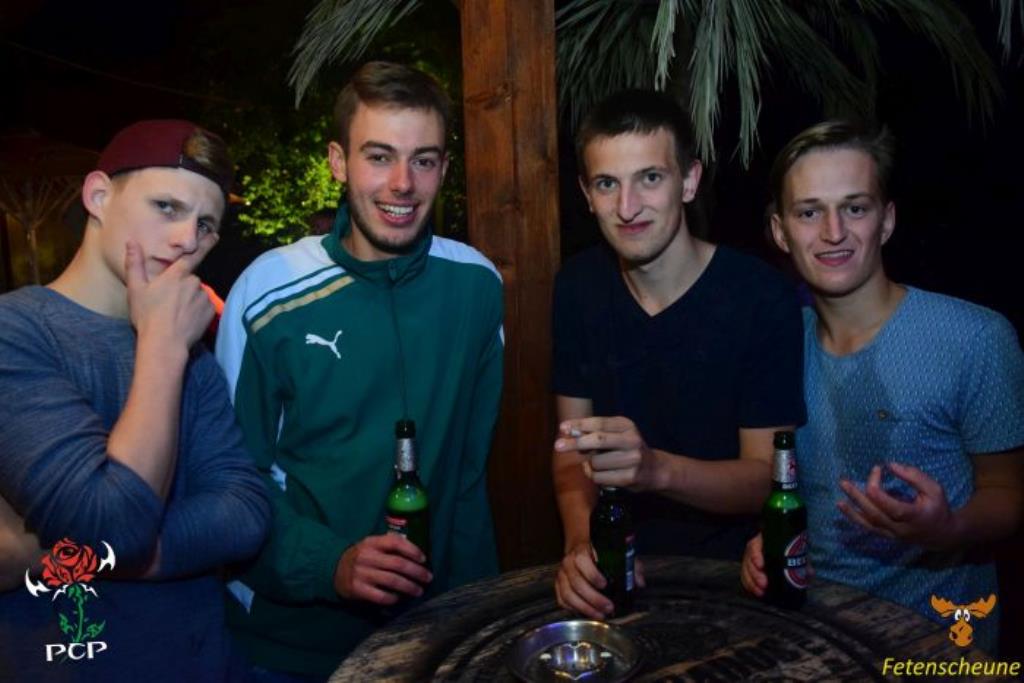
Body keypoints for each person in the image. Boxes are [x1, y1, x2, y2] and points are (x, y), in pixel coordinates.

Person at [215, 61, 504, 679]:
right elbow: (231, 478)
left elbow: (469, 470)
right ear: (338, 162)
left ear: (445, 169)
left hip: (441, 638)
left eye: (424, 160)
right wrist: (330, 563)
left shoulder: (476, 286)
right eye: (379, 157)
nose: (403, 183)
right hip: (294, 648)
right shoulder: (267, 293)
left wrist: (477, 610)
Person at [0, 119, 270, 681]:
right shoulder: (17, 331)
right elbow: (112, 528)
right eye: (166, 207)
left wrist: (47, 555)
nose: (187, 239)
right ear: (99, 196)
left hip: (206, 666)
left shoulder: (187, 343)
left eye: (205, 224)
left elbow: (245, 511)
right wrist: (163, 348)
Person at [740, 121, 1024, 653]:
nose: (833, 232)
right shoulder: (775, 346)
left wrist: (949, 528)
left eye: (854, 208)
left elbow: (1009, 496)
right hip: (811, 639)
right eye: (809, 212)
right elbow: (787, 487)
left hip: (939, 648)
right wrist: (767, 543)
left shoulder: (975, 338)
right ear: (780, 231)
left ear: (886, 220)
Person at [551, 90, 806, 619]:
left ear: (689, 181)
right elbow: (570, 452)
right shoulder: (577, 287)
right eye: (607, 184)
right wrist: (580, 544)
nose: (627, 207)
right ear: (586, 194)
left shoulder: (760, 297)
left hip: (734, 584)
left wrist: (655, 470)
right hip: (618, 580)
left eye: (650, 178)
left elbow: (767, 478)